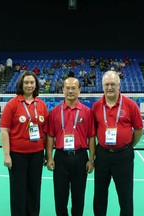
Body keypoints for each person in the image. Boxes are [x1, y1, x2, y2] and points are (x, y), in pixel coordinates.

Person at [92, 71, 143, 216]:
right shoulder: (96, 106)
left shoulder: (130, 105)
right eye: (107, 84)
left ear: (119, 85)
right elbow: (94, 130)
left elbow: (139, 129)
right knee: (100, 194)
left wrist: (128, 147)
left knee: (125, 195)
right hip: (102, 156)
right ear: (102, 86)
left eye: (113, 84)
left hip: (123, 156)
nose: (109, 87)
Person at [44, 77, 96, 216]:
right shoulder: (54, 112)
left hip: (80, 157)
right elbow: (50, 136)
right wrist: (49, 158)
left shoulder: (87, 112)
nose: (70, 91)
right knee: (60, 197)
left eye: (74, 88)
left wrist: (91, 160)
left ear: (79, 90)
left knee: (78, 197)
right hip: (60, 157)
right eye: (68, 88)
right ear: (63, 90)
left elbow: (91, 137)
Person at [0, 71, 49, 216]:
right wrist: (6, 155)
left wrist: (46, 153)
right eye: (26, 82)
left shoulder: (41, 105)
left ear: (36, 85)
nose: (29, 85)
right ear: (21, 84)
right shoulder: (12, 104)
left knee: (34, 188)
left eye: (32, 82)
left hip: (37, 154)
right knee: (18, 190)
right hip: (17, 156)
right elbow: (4, 130)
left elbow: (45, 132)